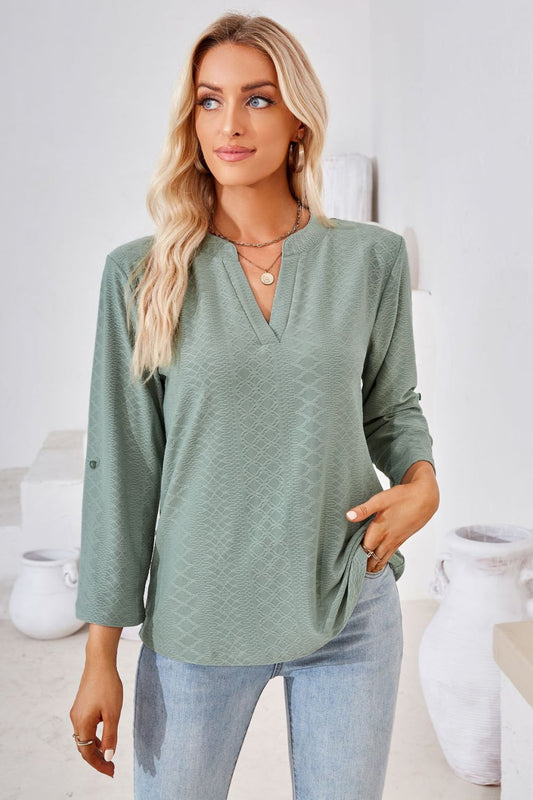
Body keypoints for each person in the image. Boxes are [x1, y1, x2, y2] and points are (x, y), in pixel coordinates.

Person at [70, 11, 440, 800]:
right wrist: (101, 653)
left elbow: (392, 408)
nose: (229, 124)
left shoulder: (369, 259)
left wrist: (422, 483)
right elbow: (121, 472)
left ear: (298, 118)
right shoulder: (140, 275)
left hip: (347, 604)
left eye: (258, 99)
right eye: (210, 100)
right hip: (199, 617)